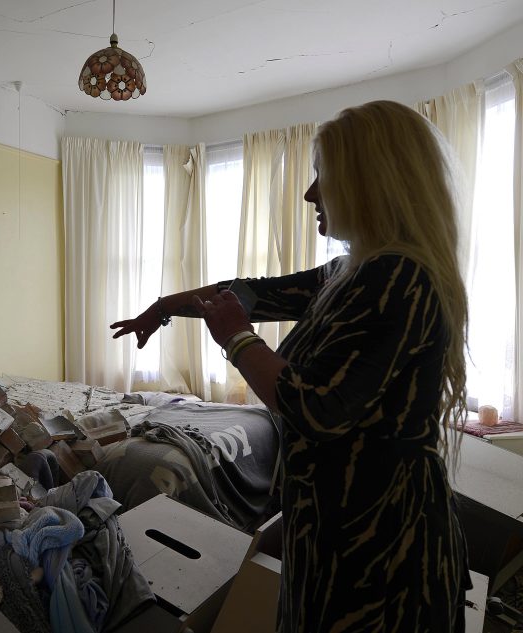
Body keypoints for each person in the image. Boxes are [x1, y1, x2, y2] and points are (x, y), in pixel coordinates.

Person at [110, 100, 471, 633]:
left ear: (372, 181)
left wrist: (235, 338)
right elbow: (254, 293)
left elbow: (316, 408)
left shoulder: (399, 278)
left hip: (377, 540)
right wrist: (168, 305)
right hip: (337, 527)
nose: (310, 194)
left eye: (324, 176)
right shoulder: (355, 271)